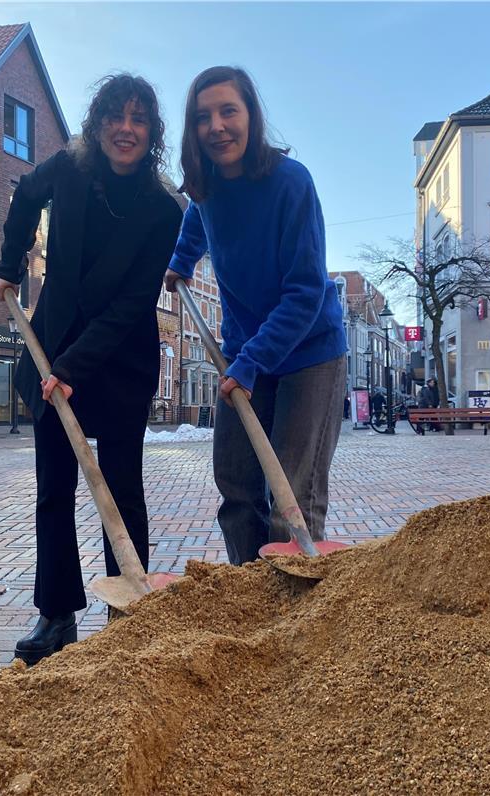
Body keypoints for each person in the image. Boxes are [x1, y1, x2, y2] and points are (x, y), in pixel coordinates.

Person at [0, 74, 182, 666]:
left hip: (119, 360)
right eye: (114, 117)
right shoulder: (67, 170)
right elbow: (23, 195)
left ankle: (126, 610)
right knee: (54, 487)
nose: (125, 129)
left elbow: (130, 304)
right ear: (98, 125)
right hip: (53, 344)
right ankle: (56, 614)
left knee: (120, 487)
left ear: (151, 133)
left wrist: (73, 367)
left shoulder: (162, 208)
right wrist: (9, 264)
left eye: (138, 119)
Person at [165, 66, 348, 564]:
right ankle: (249, 600)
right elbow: (196, 216)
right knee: (238, 487)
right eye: (204, 117)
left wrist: (251, 361)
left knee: (291, 495)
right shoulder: (206, 188)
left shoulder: (291, 183)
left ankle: (292, 614)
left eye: (229, 111)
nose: (217, 126)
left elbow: (306, 290)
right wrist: (181, 262)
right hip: (244, 352)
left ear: (251, 115)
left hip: (310, 352)